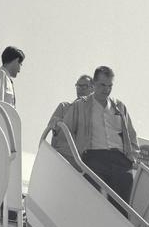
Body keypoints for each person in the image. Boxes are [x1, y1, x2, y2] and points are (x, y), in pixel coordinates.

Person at [60, 66, 140, 203]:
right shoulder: (81, 106)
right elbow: (64, 132)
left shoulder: (119, 106)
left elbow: (132, 135)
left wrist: (132, 158)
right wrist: (74, 159)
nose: (106, 89)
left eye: (110, 86)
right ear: (93, 84)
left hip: (120, 161)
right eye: (102, 85)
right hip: (94, 157)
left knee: (121, 207)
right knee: (94, 202)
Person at [46, 75, 93, 159]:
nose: (80, 89)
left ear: (93, 89)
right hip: (62, 156)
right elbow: (51, 128)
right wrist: (56, 124)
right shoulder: (64, 107)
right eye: (78, 86)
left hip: (85, 161)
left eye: (84, 86)